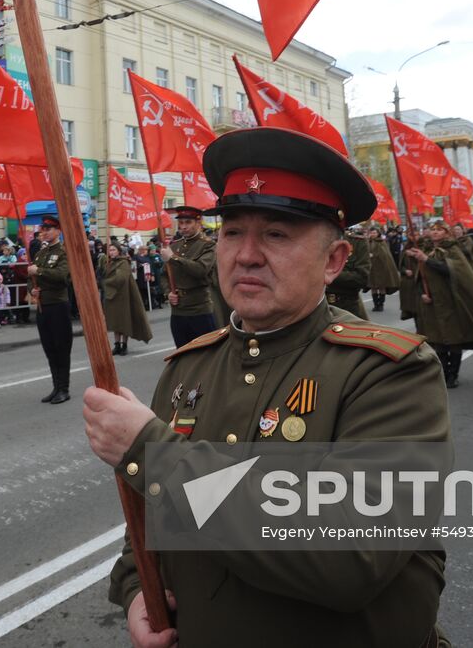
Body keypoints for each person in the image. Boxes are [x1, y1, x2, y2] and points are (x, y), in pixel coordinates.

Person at [84, 126, 451, 647]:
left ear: (334, 261)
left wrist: (148, 450)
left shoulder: (388, 372)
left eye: (276, 234)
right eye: (232, 232)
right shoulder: (189, 367)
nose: (247, 254)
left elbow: (348, 558)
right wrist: (136, 587)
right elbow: (149, 513)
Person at [402, 220, 473, 388]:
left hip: (451, 301)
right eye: (432, 230)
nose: (435, 232)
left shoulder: (452, 249)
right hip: (431, 302)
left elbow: (453, 271)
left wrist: (427, 260)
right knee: (437, 339)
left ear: (446, 233)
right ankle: (443, 372)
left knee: (453, 338)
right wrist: (422, 294)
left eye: (439, 230)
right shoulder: (425, 250)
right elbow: (420, 277)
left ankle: (453, 375)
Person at [29, 214, 74, 404]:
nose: (45, 232)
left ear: (58, 231)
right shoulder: (40, 253)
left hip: (58, 305)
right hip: (42, 306)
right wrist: (33, 289)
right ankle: (56, 387)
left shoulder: (64, 252)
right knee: (49, 348)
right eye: (43, 229)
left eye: (49, 229)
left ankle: (64, 388)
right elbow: (32, 280)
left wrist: (38, 271)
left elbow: (62, 276)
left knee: (61, 348)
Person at [160, 207, 218, 348]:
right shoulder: (175, 246)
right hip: (178, 310)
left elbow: (200, 270)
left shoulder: (208, 245)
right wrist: (168, 293)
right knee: (182, 356)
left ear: (198, 223)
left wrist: (172, 258)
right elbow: (164, 275)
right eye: (181, 223)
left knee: (206, 355)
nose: (184, 227)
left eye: (188, 222)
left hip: (199, 310)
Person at [100, 242, 152, 355]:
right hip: (112, 297)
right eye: (110, 250)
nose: (111, 252)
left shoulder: (123, 263)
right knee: (115, 322)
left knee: (124, 322)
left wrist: (106, 282)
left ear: (119, 251)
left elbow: (120, 279)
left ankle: (124, 345)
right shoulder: (110, 262)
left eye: (113, 250)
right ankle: (117, 344)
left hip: (123, 297)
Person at [326, 226, 371, 318]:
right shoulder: (313, 241)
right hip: (315, 307)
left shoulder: (356, 242)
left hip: (346, 305)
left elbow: (361, 278)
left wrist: (326, 275)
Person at [365, 225, 400, 312]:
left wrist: (374, 255)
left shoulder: (382, 242)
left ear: (378, 233)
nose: (373, 234)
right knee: (373, 287)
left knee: (381, 287)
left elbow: (385, 255)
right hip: (371, 269)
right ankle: (375, 304)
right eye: (371, 233)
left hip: (381, 268)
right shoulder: (367, 242)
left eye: (374, 233)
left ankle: (381, 304)